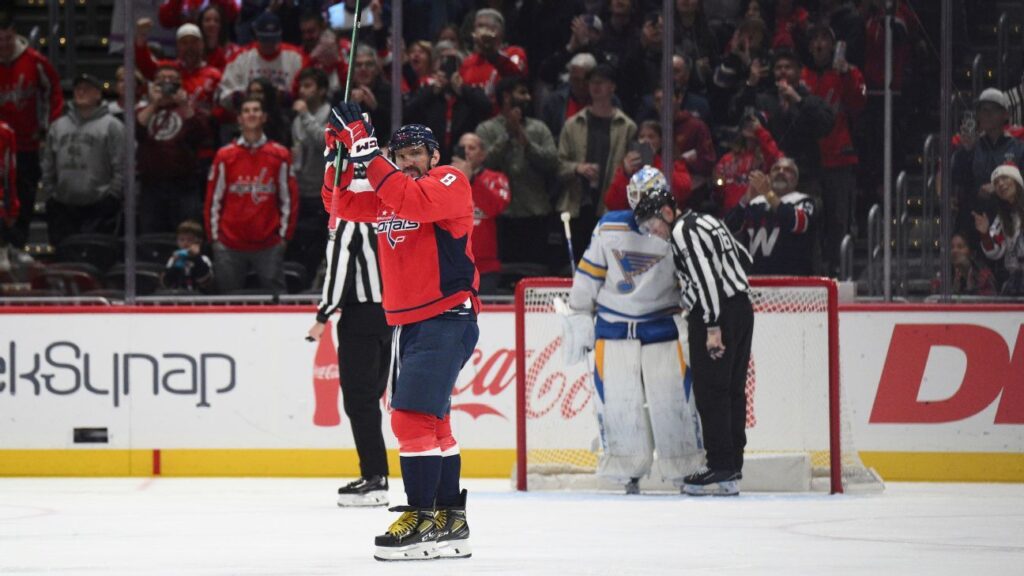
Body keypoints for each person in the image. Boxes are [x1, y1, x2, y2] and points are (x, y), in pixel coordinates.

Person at [324, 109, 478, 560]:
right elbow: (338, 204)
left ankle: (421, 516)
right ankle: (450, 519)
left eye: (417, 154)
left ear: (433, 156)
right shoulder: (388, 191)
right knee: (433, 423)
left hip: (446, 316)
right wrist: (336, 154)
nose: (409, 161)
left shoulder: (449, 182)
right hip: (408, 323)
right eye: (401, 155)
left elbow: (413, 201)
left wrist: (369, 153)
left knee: (408, 419)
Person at [563, 165, 703, 495]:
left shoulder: (679, 232)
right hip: (614, 327)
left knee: (673, 400)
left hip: (661, 326)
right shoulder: (610, 226)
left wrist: (694, 315)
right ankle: (627, 469)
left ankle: (684, 467)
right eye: (637, 197)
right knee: (618, 401)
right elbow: (589, 275)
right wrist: (580, 313)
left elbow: (689, 282)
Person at [631, 170, 753, 497]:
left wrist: (713, 326)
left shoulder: (683, 232)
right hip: (741, 307)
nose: (652, 232)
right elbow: (743, 258)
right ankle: (731, 465)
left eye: (652, 224)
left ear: (667, 213)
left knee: (712, 390)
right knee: (732, 389)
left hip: (716, 314)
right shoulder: (707, 220)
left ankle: (719, 465)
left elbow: (706, 279)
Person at [307, 151, 391, 508]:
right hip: (392, 315)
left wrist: (322, 316)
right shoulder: (389, 213)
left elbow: (338, 272)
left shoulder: (349, 217)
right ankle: (377, 473)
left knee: (360, 401)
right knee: (371, 398)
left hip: (359, 318)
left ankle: (374, 477)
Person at [205, 96, 298, 294]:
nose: (251, 114)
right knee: (227, 302)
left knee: (278, 301)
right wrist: (215, 238)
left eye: (256, 110)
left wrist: (284, 237)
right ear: (239, 118)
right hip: (229, 244)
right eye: (246, 111)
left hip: (269, 244)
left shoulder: (279, 155)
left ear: (264, 117)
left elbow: (289, 199)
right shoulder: (225, 156)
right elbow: (213, 199)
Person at [476, 76, 560, 269]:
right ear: (506, 97)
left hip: (535, 213)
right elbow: (483, 164)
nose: (528, 97)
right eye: (522, 92)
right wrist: (506, 136)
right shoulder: (487, 129)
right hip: (500, 217)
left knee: (535, 272)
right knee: (504, 273)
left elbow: (552, 162)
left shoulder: (538, 128)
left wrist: (527, 143)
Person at [802, 24, 866, 275]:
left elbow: (858, 103)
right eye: (815, 38)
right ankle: (813, 271)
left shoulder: (846, 74)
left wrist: (847, 75)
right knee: (811, 217)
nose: (819, 44)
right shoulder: (802, 75)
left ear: (833, 45)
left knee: (839, 220)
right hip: (808, 161)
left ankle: (839, 270)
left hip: (839, 157)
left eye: (824, 39)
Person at [557, 63, 637, 258]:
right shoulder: (573, 124)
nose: (595, 86)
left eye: (601, 82)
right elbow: (558, 165)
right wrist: (577, 168)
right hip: (577, 204)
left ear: (612, 87)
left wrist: (627, 170)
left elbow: (637, 169)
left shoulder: (627, 127)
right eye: (592, 82)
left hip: (611, 207)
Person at [0, 13, 64, 248]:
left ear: (14, 35)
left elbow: (54, 91)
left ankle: (18, 244)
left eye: (7, 39)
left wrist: (50, 125)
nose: (4, 45)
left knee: (24, 197)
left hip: (27, 144)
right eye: (0, 40)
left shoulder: (34, 61)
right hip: (0, 145)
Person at [42, 74, 125, 248]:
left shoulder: (112, 126)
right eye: (78, 88)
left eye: (87, 89)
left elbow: (122, 164)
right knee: (64, 257)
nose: (81, 92)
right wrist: (50, 193)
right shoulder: (58, 126)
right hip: (63, 205)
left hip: (99, 205)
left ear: (98, 95)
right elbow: (48, 163)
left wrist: (112, 196)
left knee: (96, 255)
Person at [137, 64, 211, 234]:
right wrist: (154, 104)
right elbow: (136, 130)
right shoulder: (143, 110)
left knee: (187, 235)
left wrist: (184, 105)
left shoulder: (191, 111)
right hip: (152, 187)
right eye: (161, 82)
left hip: (184, 186)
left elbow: (201, 135)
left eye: (173, 82)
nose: (167, 86)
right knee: (151, 238)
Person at [725, 157, 816, 275]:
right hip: (756, 279)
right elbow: (727, 229)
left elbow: (799, 223)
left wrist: (768, 193)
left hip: (792, 281)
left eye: (787, 170)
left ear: (796, 180)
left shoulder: (803, 200)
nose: (781, 172)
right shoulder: (755, 202)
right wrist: (746, 199)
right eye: (776, 169)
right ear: (769, 177)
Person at [288, 67, 332, 287]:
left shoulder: (330, 114)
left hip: (323, 192)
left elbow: (324, 142)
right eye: (301, 86)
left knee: (319, 245)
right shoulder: (297, 120)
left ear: (322, 90)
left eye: (308, 86)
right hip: (301, 189)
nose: (303, 91)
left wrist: (305, 114)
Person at [452, 132, 510, 294]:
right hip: (453, 265)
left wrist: (471, 180)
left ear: (483, 154)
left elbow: (496, 207)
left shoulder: (496, 179)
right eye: (463, 148)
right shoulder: (444, 178)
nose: (467, 151)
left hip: (485, 268)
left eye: (472, 148)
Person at [217, 11, 308, 114]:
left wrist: (287, 97)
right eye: (264, 39)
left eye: (273, 39)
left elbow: (309, 92)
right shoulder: (240, 57)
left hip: (286, 116)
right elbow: (223, 95)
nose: (269, 44)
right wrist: (244, 96)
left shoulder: (296, 57)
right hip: (247, 115)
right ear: (256, 36)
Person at [604, 120, 693, 211]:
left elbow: (684, 190)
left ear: (661, 141)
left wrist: (656, 164)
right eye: (641, 136)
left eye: (651, 137)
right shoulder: (630, 164)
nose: (645, 140)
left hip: (666, 215)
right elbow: (611, 203)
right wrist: (626, 175)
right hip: (635, 217)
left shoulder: (673, 162)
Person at [712, 109, 783, 214]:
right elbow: (718, 192)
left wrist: (760, 131)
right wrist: (717, 182)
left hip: (756, 217)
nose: (749, 125)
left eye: (754, 123)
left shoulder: (767, 158)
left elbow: (778, 161)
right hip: (730, 215)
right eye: (747, 122)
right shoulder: (727, 158)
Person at [459, 8, 528, 105]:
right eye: (478, 27)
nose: (480, 31)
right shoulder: (468, 61)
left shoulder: (514, 53)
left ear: (498, 31)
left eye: (484, 27)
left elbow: (517, 76)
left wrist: (492, 53)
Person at [976, 163, 1024, 296]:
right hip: (1016, 283)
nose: (1001, 184)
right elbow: (995, 251)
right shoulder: (1002, 218)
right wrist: (985, 234)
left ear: (1016, 180)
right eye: (996, 183)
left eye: (1005, 178)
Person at [930, 232, 996, 296]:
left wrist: (970, 287)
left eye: (960, 247)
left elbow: (987, 302)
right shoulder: (943, 276)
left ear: (971, 253)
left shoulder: (984, 275)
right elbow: (934, 298)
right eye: (952, 247)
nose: (955, 250)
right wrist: (953, 290)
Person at [162, 220, 214, 292]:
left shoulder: (204, 259)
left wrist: (196, 258)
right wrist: (175, 266)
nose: (185, 243)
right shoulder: (173, 259)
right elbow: (167, 283)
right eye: (182, 240)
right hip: (177, 297)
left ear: (199, 242)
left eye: (189, 240)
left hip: (199, 297)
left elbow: (205, 283)